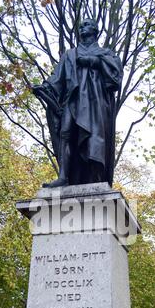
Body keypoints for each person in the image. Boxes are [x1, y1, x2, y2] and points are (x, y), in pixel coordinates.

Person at [33, 18, 123, 187]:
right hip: (73, 101)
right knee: (66, 134)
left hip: (95, 103)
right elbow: (57, 77)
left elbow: (115, 79)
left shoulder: (106, 54)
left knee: (95, 138)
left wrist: (96, 62)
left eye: (86, 25)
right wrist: (45, 87)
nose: (82, 28)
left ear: (95, 30)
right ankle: (63, 177)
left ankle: (96, 179)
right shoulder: (70, 55)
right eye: (80, 26)